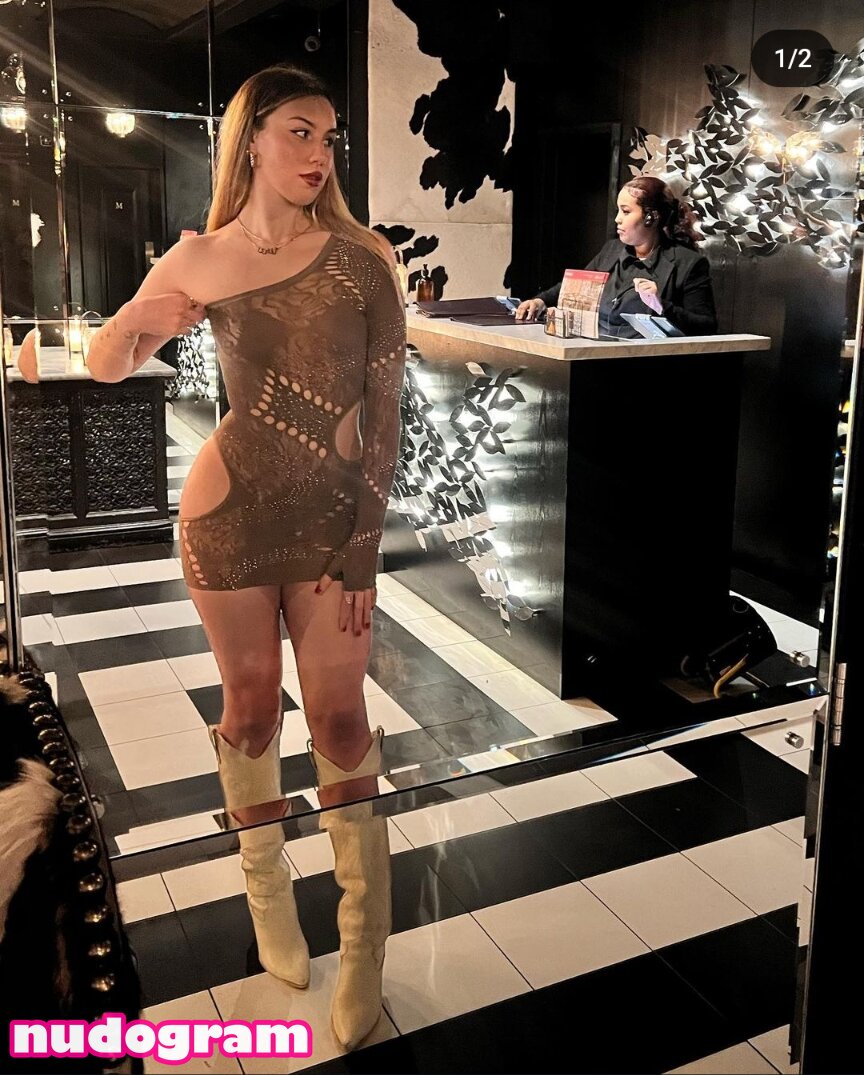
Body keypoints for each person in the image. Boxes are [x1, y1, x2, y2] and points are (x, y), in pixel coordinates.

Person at [86, 64, 405, 1050]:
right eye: (299, 132)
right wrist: (142, 321)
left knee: (341, 714)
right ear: (252, 138)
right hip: (226, 516)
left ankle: (363, 946)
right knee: (252, 706)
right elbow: (106, 364)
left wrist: (363, 549)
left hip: (330, 527)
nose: (319, 154)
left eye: (329, 137)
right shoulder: (201, 254)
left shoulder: (364, 257)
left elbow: (386, 418)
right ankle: (269, 901)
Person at [516, 176, 717, 337]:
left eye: (626, 212)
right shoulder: (612, 250)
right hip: (594, 351)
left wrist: (662, 306)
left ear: (651, 217)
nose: (617, 219)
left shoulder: (689, 263)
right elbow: (575, 286)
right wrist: (541, 301)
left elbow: (706, 326)